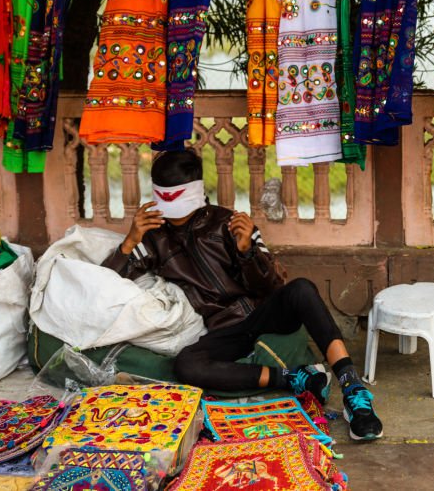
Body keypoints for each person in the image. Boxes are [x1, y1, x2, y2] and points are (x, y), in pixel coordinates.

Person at [101, 149, 384, 441]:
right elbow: (106, 283)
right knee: (186, 365)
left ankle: (353, 389)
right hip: (223, 330)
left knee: (301, 289)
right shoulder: (153, 238)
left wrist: (247, 251)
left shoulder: (229, 222)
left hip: (263, 312)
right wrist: (129, 242)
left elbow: (271, 285)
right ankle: (294, 380)